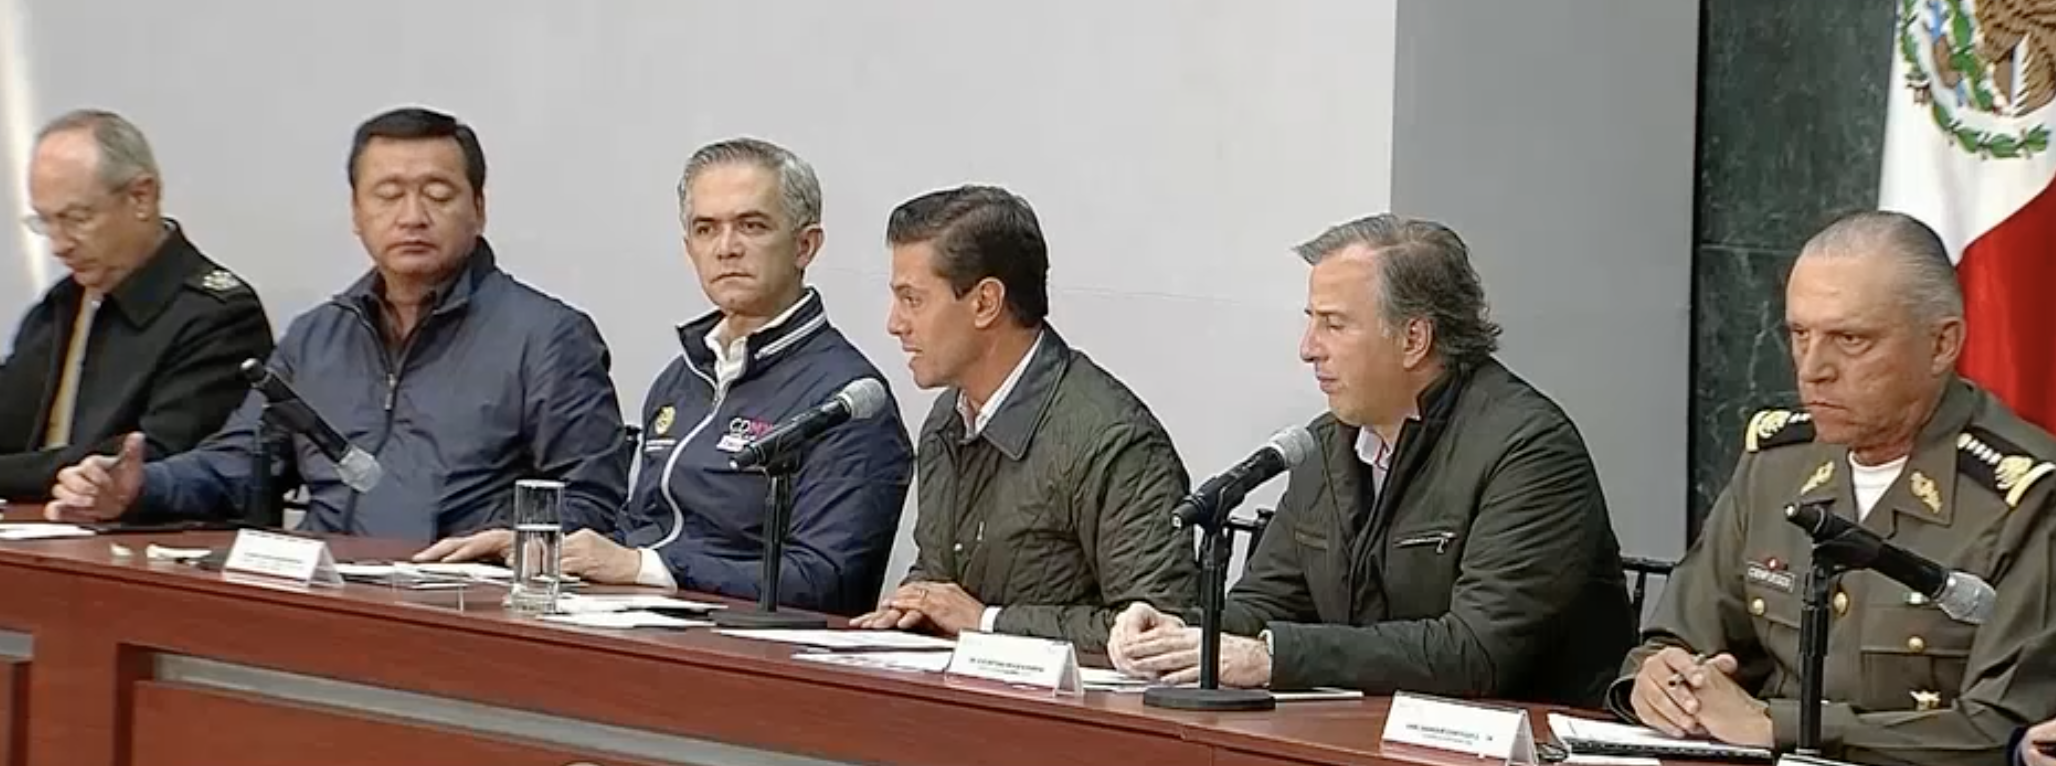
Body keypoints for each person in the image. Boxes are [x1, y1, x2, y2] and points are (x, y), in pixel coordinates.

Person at [1108, 213, 1635, 704]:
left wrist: (1273, 658)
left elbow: (1476, 654)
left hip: (1522, 745)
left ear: (1413, 339)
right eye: (1312, 321)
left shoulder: (1528, 450)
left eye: (1334, 324)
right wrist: (1181, 634)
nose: (1308, 348)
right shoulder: (1324, 447)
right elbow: (1267, 604)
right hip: (1366, 732)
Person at [46, 106, 629, 540]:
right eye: (388, 195)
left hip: (461, 607)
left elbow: (593, 501)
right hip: (322, 599)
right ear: (356, 213)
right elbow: (239, 462)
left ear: (478, 208)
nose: (412, 216)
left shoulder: (547, 337)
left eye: (437, 193)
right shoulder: (316, 338)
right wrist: (139, 487)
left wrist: (502, 546)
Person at [1609, 211, 2056, 766]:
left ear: (1942, 344)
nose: (1813, 369)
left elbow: (2005, 730)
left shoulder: (2026, 496)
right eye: (1800, 335)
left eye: (1850, 339)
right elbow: (1676, 640)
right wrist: (1660, 683)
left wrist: (1775, 726)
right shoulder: (1778, 463)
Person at [416, 138, 912, 616]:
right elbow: (638, 530)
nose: (726, 248)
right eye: (706, 229)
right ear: (689, 248)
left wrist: (648, 567)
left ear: (805, 246)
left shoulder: (847, 399)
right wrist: (540, 546)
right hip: (634, 628)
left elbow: (828, 581)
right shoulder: (680, 377)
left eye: (752, 225)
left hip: (743, 654)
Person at [849, 185, 1195, 651]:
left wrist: (989, 622)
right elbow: (943, 577)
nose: (894, 323)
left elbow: (1161, 629)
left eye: (912, 300)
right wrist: (913, 605)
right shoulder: (947, 418)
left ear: (985, 303)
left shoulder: (1116, 443)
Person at [0, 109, 272, 502]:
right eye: (45, 222)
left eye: (76, 219)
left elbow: (145, 462)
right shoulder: (63, 304)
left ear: (141, 197)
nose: (58, 245)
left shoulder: (219, 316)